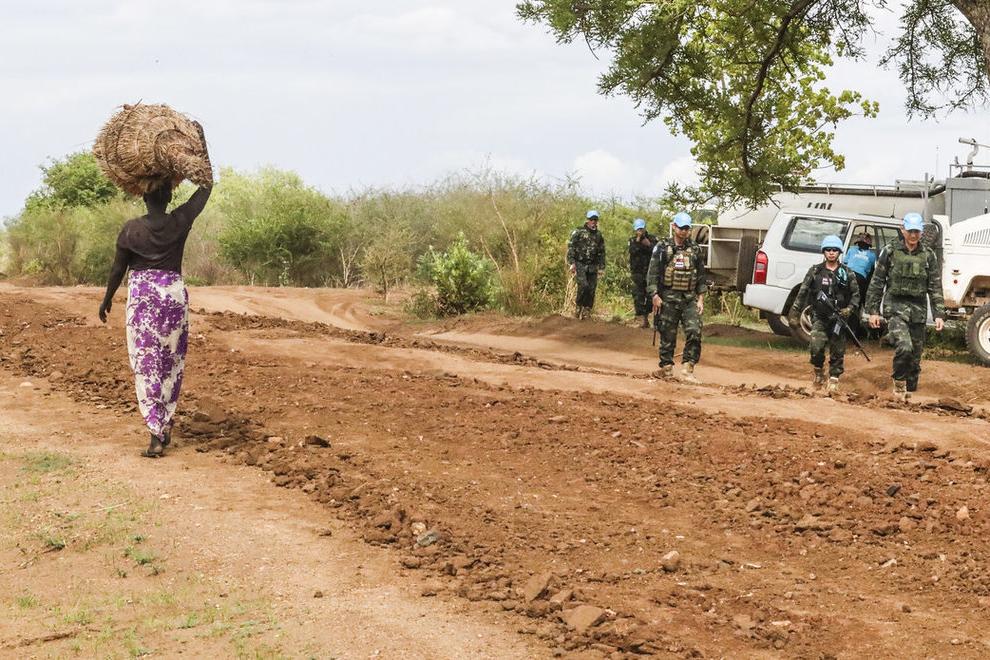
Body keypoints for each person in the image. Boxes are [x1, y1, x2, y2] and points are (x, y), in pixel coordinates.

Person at [98, 122, 213, 457]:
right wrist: (203, 144)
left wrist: (106, 300)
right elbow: (206, 187)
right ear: (169, 195)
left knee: (146, 362)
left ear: (144, 195)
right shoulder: (180, 221)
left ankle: (155, 433)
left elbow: (117, 269)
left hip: (143, 300)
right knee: (171, 361)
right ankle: (166, 422)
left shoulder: (130, 230)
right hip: (174, 296)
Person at [865, 212, 945, 402]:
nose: (913, 235)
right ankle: (899, 385)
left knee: (914, 360)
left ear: (921, 232)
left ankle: (908, 392)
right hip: (895, 308)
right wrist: (873, 312)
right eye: (910, 231)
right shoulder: (890, 251)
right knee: (905, 347)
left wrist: (939, 314)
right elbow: (877, 281)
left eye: (917, 231)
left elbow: (935, 286)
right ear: (903, 230)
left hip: (918, 311)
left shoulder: (928, 255)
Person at [790, 235, 860, 393]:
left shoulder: (847, 273)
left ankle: (834, 379)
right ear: (824, 251)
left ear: (839, 252)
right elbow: (802, 292)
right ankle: (818, 372)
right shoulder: (815, 271)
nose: (831, 252)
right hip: (820, 317)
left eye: (835, 250)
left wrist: (849, 309)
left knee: (837, 350)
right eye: (828, 249)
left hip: (839, 319)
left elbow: (856, 295)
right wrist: (794, 313)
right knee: (816, 347)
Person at [646, 212, 706, 382]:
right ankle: (666, 369)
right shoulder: (662, 247)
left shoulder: (695, 249)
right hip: (668, 298)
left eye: (687, 228)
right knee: (667, 335)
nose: (684, 231)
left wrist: (701, 299)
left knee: (694, 331)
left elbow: (701, 276)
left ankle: (688, 369)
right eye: (681, 228)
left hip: (689, 299)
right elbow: (652, 273)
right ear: (674, 227)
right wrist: (654, 295)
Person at [567, 210, 606, 319]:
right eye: (591, 219)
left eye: (595, 220)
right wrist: (572, 263)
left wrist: (601, 267)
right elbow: (571, 247)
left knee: (592, 288)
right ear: (587, 220)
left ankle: (587, 310)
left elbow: (602, 252)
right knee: (583, 285)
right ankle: (578, 307)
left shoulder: (598, 235)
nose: (593, 222)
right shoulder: (579, 232)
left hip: (593, 265)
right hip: (580, 263)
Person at [628, 218, 657, 328]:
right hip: (637, 273)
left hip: (650, 273)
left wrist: (649, 245)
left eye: (641, 229)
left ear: (645, 228)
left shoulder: (652, 239)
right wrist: (638, 241)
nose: (640, 231)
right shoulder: (632, 240)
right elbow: (632, 251)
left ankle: (647, 316)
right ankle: (641, 318)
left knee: (650, 296)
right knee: (638, 295)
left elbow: (657, 252)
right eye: (638, 229)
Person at [843, 231, 877, 302]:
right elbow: (870, 272)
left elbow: (845, 263)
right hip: (859, 278)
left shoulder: (851, 249)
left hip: (849, 275)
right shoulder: (872, 255)